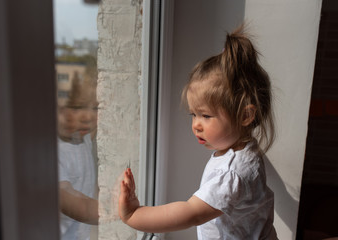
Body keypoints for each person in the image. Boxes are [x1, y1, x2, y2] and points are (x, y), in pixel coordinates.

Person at [119, 25, 278, 239]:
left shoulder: (231, 174)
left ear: (245, 116)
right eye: (193, 115)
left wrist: (134, 215)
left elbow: (190, 213)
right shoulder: (246, 151)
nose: (196, 125)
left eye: (206, 116)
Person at [57, 72, 99, 240]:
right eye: (75, 108)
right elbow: (70, 199)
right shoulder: (55, 152)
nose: (87, 117)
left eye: (95, 108)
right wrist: (113, 212)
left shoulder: (82, 138)